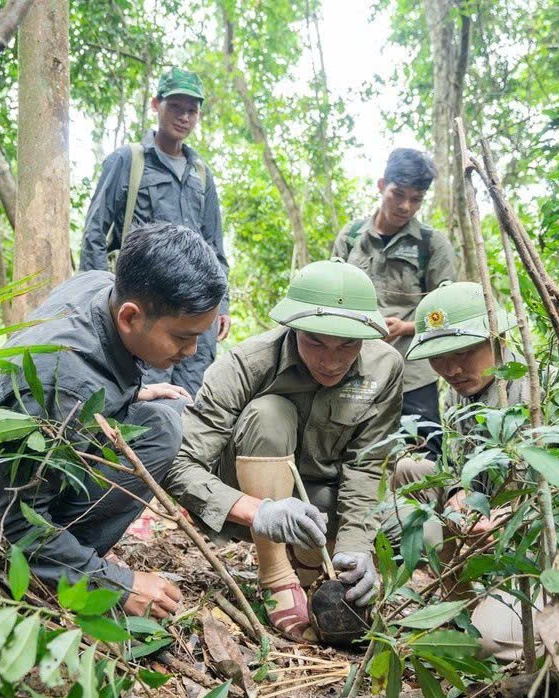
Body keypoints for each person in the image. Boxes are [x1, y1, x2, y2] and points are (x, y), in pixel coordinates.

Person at [0, 223, 227, 618]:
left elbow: (92, 363)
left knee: (166, 417)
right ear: (130, 317)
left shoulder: (99, 285)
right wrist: (114, 582)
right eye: (182, 337)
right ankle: (57, 577)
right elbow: (6, 525)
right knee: (162, 433)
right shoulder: (64, 390)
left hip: (33, 447)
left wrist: (126, 393)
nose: (192, 350)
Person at [164, 259, 404, 642]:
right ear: (292, 329)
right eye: (316, 342)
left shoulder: (385, 367)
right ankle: (275, 574)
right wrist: (259, 511)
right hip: (245, 501)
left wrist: (356, 548)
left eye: (347, 345)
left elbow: (368, 464)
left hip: (324, 496)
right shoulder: (247, 363)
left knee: (412, 524)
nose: (331, 361)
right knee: (269, 412)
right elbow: (180, 463)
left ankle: (314, 566)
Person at [384, 281, 535, 660]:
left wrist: (509, 516)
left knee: (484, 642)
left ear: (498, 338)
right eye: (439, 356)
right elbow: (456, 466)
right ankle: (462, 597)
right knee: (405, 470)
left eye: (466, 351)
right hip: (483, 515)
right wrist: (457, 494)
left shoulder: (534, 390)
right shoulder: (456, 390)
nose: (451, 368)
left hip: (539, 537)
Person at [79, 66, 229, 396]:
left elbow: (214, 247)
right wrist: (94, 299)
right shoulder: (127, 161)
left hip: (194, 314)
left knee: (191, 400)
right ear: (155, 105)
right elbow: (94, 232)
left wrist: (223, 307)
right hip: (148, 309)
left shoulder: (201, 174)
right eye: (175, 107)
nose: (184, 117)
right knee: (137, 397)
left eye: (192, 110)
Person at [332, 148, 458, 460]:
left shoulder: (432, 244)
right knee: (352, 450)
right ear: (381, 185)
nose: (405, 206)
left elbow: (449, 310)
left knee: (425, 455)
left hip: (414, 371)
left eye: (416, 199)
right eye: (398, 194)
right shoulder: (351, 237)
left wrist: (408, 326)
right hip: (356, 367)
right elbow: (332, 296)